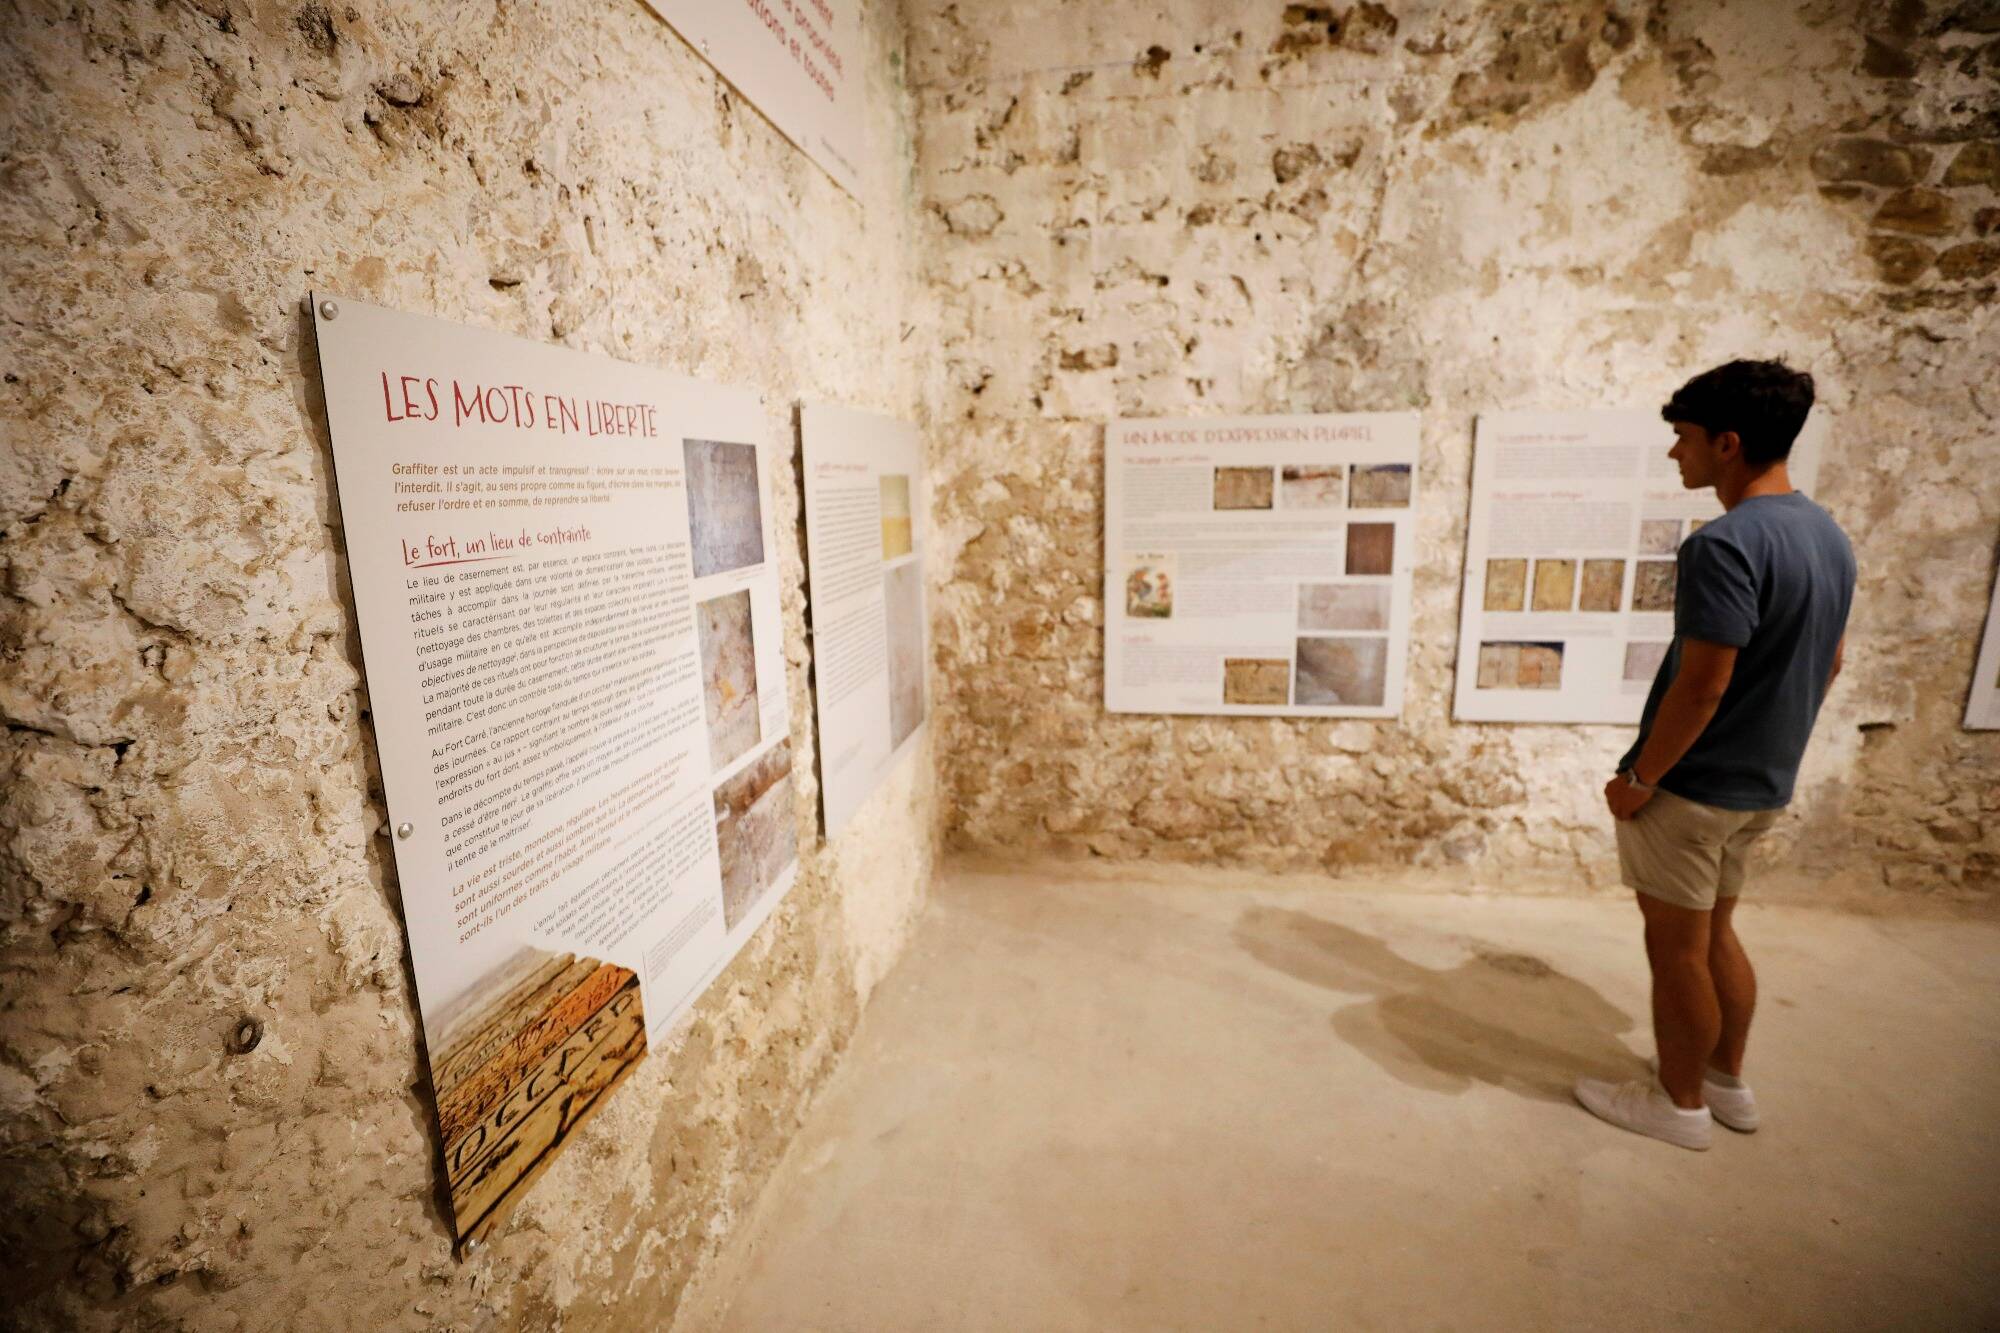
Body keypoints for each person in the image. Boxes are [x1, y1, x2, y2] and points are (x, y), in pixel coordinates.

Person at [1575, 359, 1855, 1151]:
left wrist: (1641, 778)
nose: (1676, 452)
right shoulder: (1827, 534)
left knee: (1676, 952)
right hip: (1761, 784)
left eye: (1684, 437)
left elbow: (1702, 686)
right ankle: (1727, 1082)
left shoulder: (1725, 544)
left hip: (1694, 789)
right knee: (1718, 933)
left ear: (1727, 444)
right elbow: (1831, 661)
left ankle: (1680, 1102)